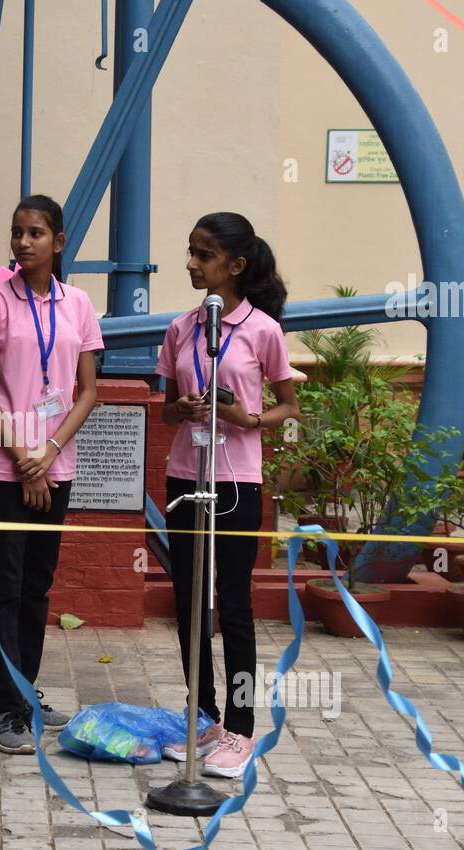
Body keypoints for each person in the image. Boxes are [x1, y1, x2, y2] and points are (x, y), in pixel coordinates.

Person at [155, 212, 300, 778]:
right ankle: (203, 716)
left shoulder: (263, 329)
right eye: (189, 251)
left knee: (233, 604)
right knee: (190, 603)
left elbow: (289, 406)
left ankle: (241, 728)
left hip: (237, 482)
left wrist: (248, 417)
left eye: (204, 254)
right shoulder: (181, 328)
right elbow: (165, 407)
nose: (191, 263)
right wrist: (184, 409)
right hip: (186, 476)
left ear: (235, 266)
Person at [0, 195, 103, 755]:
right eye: (18, 232)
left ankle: (24, 690)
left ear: (59, 242)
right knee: (6, 584)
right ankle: (6, 706)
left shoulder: (79, 303)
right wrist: (26, 458)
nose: (24, 242)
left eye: (37, 233)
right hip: (5, 466)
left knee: (38, 585)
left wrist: (47, 453)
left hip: (57, 461)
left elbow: (86, 390)